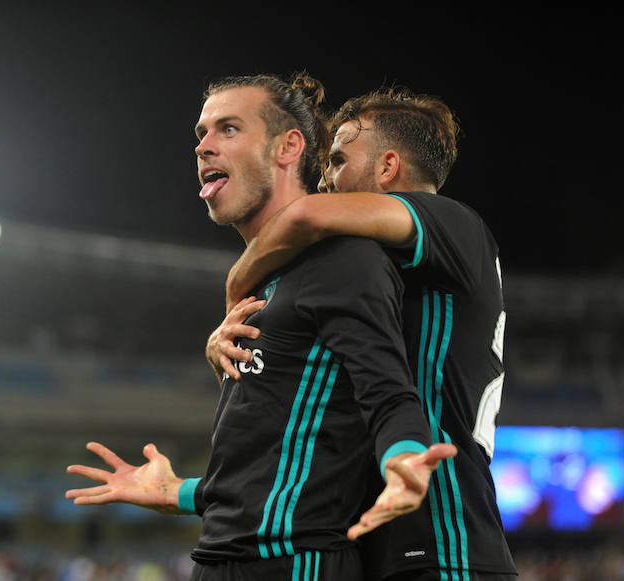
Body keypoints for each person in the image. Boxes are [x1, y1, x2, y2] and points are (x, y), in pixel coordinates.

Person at [66, 73, 456, 580]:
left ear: (288, 147)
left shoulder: (343, 258)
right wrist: (176, 492)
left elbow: (389, 393)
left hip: (296, 562)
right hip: (220, 560)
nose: (204, 146)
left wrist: (405, 459)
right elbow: (271, 462)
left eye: (227, 129)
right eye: (201, 134)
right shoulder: (261, 284)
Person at [207, 88, 518, 580]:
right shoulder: (369, 265)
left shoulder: (455, 224)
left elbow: (306, 216)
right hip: (384, 538)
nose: (325, 179)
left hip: (446, 541)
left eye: (337, 160)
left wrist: (234, 285)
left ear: (388, 167)